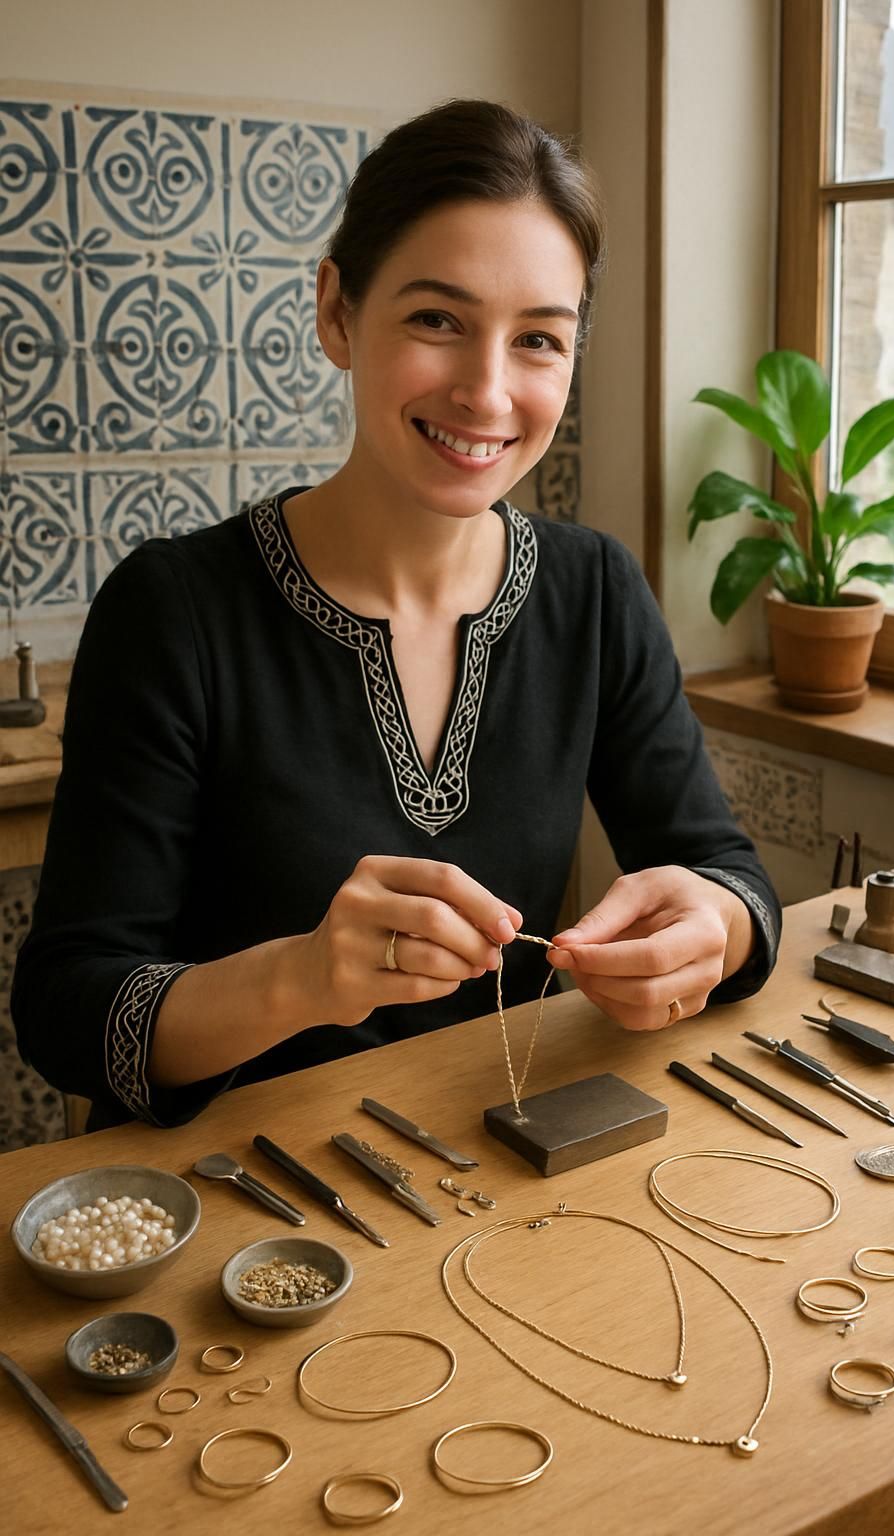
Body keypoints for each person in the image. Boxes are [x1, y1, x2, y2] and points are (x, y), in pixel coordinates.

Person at [13, 99, 781, 1132]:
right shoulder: (174, 610)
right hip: (224, 1206)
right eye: (436, 320)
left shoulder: (594, 589)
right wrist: (300, 978)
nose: (486, 392)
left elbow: (729, 875)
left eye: (539, 341)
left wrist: (715, 928)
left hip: (492, 1163)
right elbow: (66, 1012)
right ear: (337, 311)